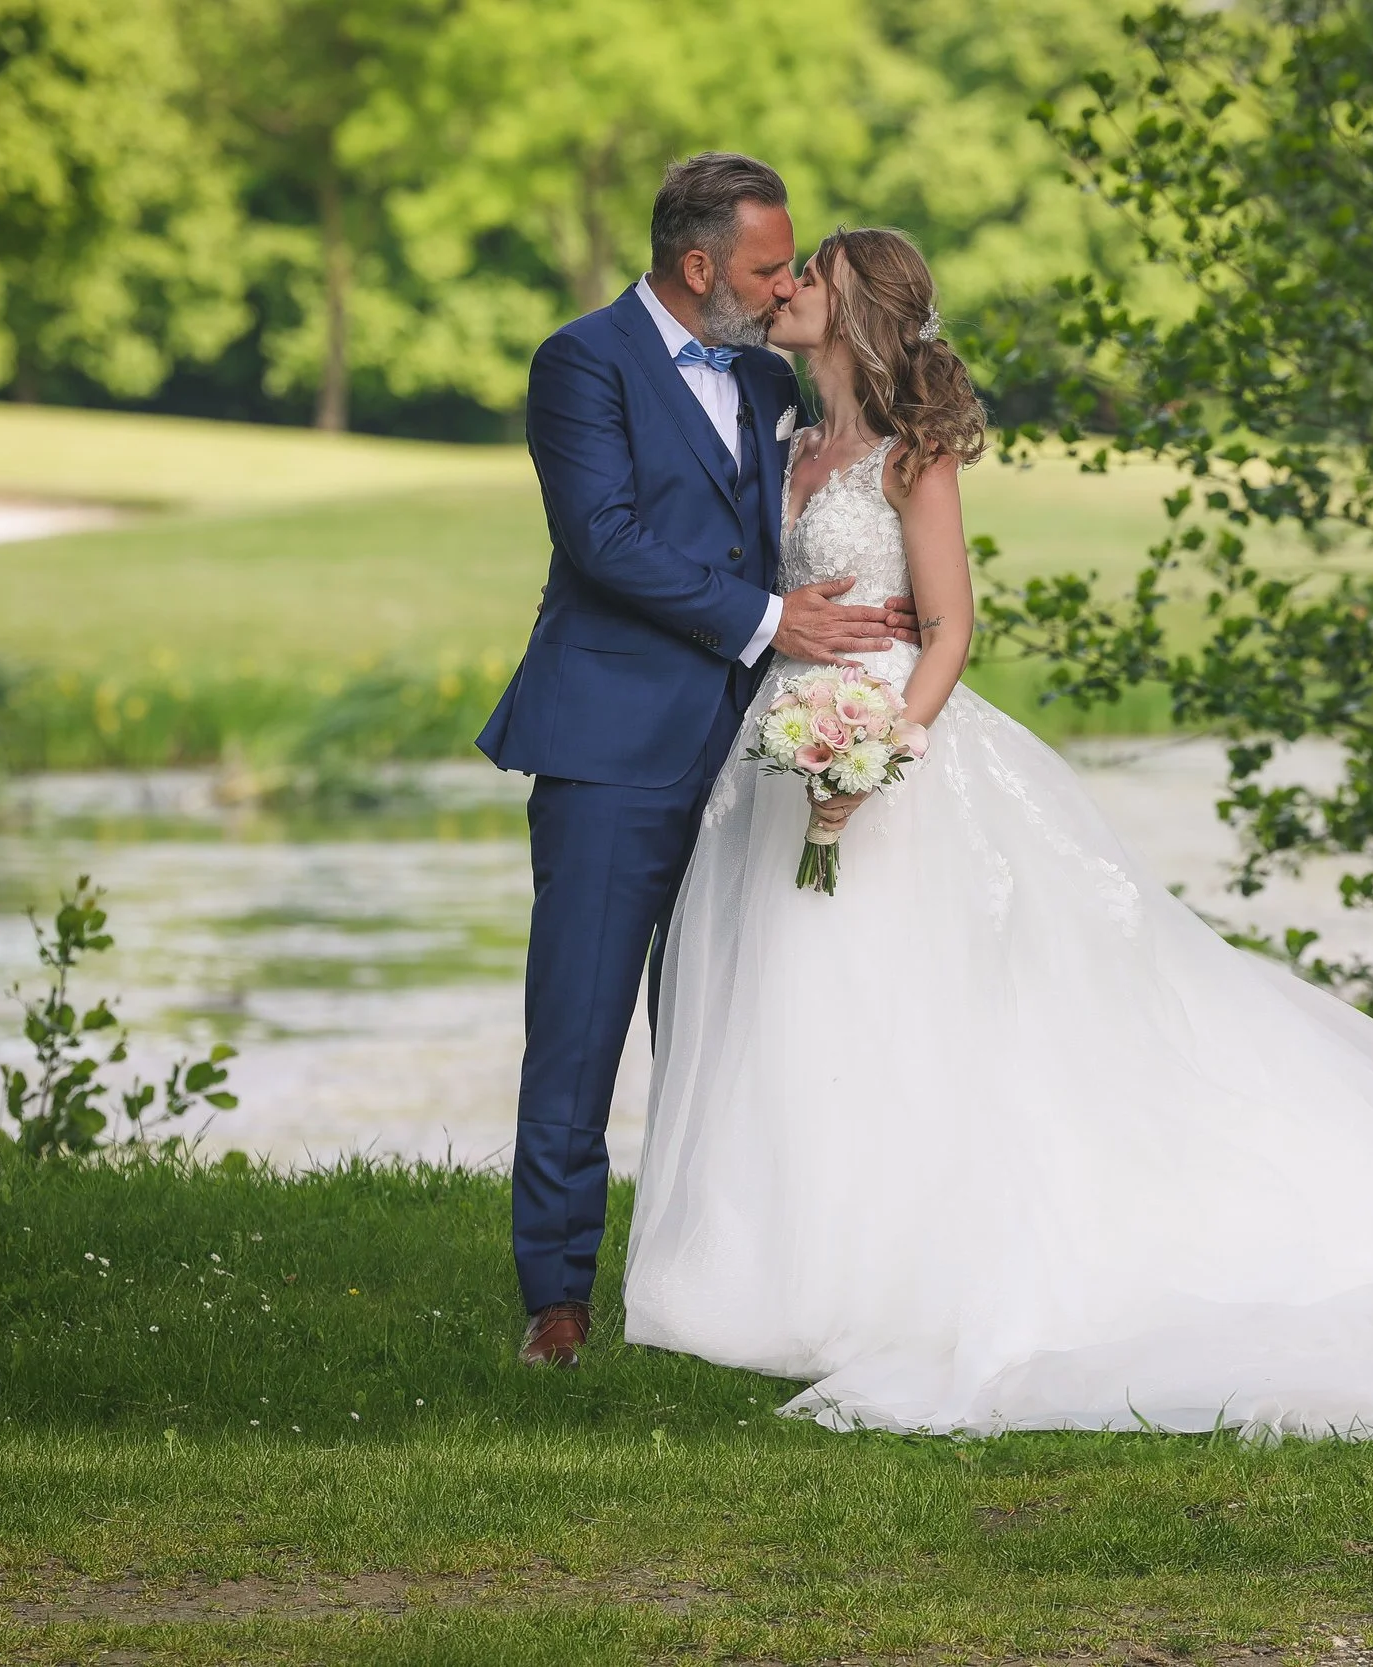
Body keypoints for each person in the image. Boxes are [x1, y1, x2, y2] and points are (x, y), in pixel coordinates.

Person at [621, 226, 1373, 1444]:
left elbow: (949, 627)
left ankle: (906, 1274)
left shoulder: (912, 458)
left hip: (891, 751)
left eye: (811, 275)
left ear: (855, 311)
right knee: (796, 1002)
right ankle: (788, 1278)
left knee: (912, 1009)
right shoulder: (783, 438)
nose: (786, 287)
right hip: (780, 748)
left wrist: (884, 751)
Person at [475, 155, 917, 1368]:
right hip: (610, 745)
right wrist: (777, 621)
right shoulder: (581, 362)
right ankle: (557, 1299)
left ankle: (714, 1282)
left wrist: (862, 631)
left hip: (755, 756)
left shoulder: (771, 374)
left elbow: (805, 518)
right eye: (769, 267)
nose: (784, 288)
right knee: (579, 1027)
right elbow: (604, 537)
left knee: (730, 1024)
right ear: (696, 264)